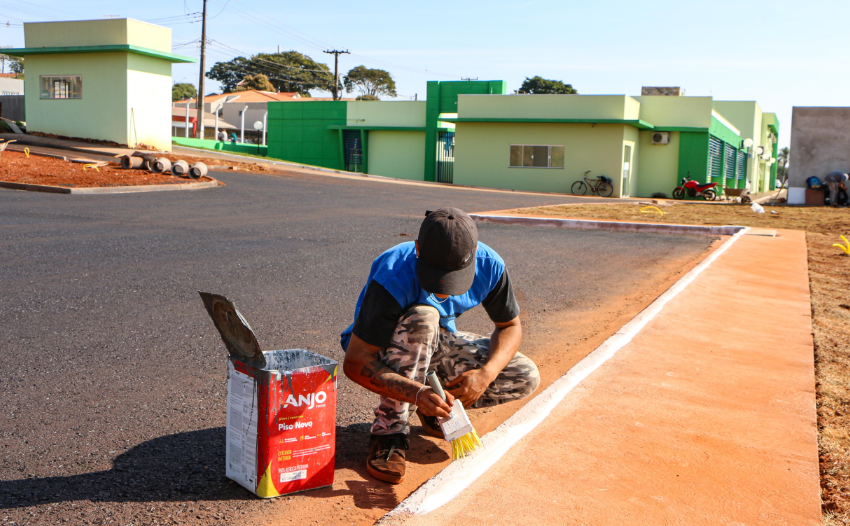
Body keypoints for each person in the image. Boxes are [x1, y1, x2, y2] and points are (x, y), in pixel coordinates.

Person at [341, 208, 540, 484]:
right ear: (418, 249)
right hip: (383, 348)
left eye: (455, 276)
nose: (444, 290)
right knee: (425, 316)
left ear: (474, 251)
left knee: (525, 374)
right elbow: (356, 360)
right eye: (435, 275)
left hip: (433, 344)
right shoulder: (393, 274)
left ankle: (434, 407)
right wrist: (415, 391)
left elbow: (510, 327)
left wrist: (486, 375)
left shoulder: (490, 265)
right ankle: (389, 430)